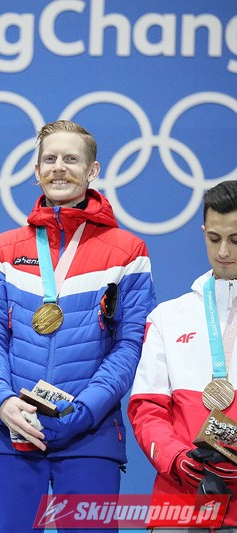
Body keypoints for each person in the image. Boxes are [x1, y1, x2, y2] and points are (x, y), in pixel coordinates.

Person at [0, 120, 155, 531]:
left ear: (93, 170)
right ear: (36, 170)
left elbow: (130, 345)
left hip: (91, 435)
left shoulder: (128, 252)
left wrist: (83, 410)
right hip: (11, 431)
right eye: (50, 159)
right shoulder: (2, 249)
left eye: (71, 159)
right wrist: (2, 401)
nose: (59, 167)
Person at [129, 180, 237, 529]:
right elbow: (147, 408)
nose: (223, 252)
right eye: (214, 238)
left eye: (236, 240)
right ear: (203, 233)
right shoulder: (167, 316)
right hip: (179, 504)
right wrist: (176, 459)